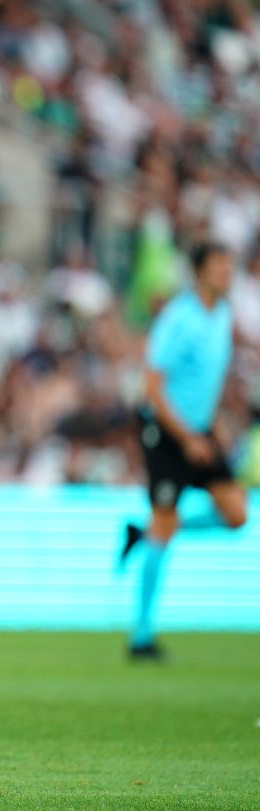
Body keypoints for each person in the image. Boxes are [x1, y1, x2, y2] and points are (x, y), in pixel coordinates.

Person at [121, 242, 248, 660]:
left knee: (236, 514)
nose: (226, 274)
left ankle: (144, 534)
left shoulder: (223, 315)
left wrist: (212, 427)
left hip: (199, 429)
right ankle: (141, 636)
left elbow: (206, 380)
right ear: (199, 273)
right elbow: (153, 387)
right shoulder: (179, 318)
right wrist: (188, 437)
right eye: (218, 266)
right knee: (165, 521)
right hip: (164, 430)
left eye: (229, 266)